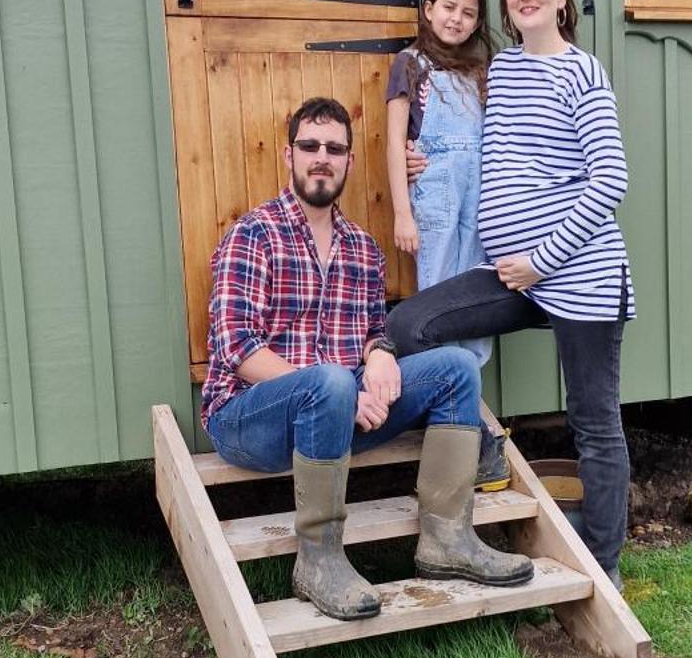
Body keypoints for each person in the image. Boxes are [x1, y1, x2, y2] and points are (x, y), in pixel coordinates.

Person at [201, 96, 533, 621]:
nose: (321, 157)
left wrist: (380, 354)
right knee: (329, 380)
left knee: (456, 368)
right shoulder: (253, 235)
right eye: (309, 146)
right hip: (250, 419)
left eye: (334, 148)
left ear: (349, 162)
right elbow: (238, 351)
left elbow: (374, 332)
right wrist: (342, 388)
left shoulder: (362, 249)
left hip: (339, 413)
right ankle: (318, 560)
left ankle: (447, 537)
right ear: (289, 155)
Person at [386, 0, 635, 587]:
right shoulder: (499, 72)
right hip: (509, 277)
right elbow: (465, 141)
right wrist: (420, 161)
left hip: (579, 276)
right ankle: (474, 447)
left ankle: (602, 567)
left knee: (593, 422)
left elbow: (609, 179)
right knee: (412, 325)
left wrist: (542, 260)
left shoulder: (581, 72)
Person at [385, 0, 508, 492]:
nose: (456, 18)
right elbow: (394, 143)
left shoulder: (483, 72)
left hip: (479, 197)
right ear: (429, 8)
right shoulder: (410, 65)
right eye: (449, 7)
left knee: (476, 300)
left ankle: (466, 413)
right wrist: (401, 213)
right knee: (435, 301)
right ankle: (463, 422)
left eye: (469, 12)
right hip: (434, 196)